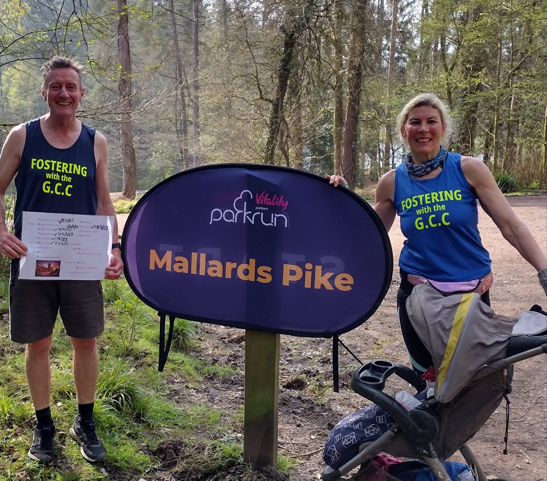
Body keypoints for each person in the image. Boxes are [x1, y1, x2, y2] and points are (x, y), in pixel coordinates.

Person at [329, 92, 547, 373]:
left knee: (473, 378)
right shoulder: (392, 182)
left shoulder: (469, 169)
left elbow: (512, 226)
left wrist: (543, 271)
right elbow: (369, 236)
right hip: (418, 297)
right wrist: (344, 198)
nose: (423, 129)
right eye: (415, 122)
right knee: (428, 380)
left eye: (431, 121)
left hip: (471, 294)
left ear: (443, 128)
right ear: (403, 130)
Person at [0, 56, 124, 464]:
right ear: (45, 92)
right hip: (33, 259)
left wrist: (114, 248)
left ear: (81, 94)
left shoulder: (96, 142)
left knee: (85, 341)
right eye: (56, 86)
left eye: (71, 87)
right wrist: (1, 231)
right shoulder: (22, 136)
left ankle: (84, 423)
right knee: (38, 345)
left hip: (81, 260)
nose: (64, 93)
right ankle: (44, 427)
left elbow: (105, 201)